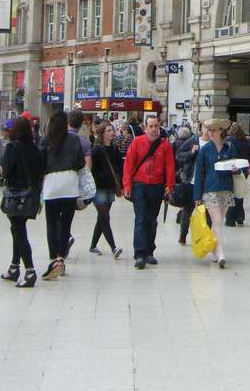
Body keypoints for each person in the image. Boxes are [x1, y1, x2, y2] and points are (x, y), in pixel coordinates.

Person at [122, 114, 175, 270]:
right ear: (144, 128)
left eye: (156, 126)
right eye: (150, 126)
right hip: (139, 185)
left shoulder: (165, 145)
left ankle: (149, 251)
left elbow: (170, 167)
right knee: (140, 219)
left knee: (152, 220)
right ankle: (139, 253)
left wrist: (169, 186)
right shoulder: (137, 143)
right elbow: (129, 165)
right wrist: (127, 186)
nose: (153, 129)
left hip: (157, 186)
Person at [39, 111, 83, 280]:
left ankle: (53, 259)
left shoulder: (45, 140)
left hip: (52, 184)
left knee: (51, 223)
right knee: (65, 224)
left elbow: (40, 163)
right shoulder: (73, 140)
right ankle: (60, 259)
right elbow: (80, 162)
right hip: (70, 184)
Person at [0, 117, 43, 288]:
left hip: (15, 195)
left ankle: (30, 270)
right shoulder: (35, 149)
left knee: (19, 232)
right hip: (30, 196)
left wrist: (3, 170)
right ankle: (14, 267)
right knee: (17, 229)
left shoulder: (12, 148)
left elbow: (7, 172)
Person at [194, 118, 236, 269]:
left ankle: (213, 250)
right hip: (210, 189)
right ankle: (221, 254)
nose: (211, 133)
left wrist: (236, 169)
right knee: (217, 222)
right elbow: (199, 172)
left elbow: (238, 166)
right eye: (209, 130)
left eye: (214, 130)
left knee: (218, 222)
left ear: (220, 131)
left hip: (226, 188)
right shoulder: (205, 150)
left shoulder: (229, 148)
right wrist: (197, 196)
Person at [89, 122, 124, 259]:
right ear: (102, 133)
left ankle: (92, 245)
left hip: (110, 187)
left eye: (112, 130)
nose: (111, 132)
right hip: (98, 188)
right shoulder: (97, 150)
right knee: (105, 217)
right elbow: (92, 169)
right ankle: (113, 247)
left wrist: (120, 180)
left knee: (102, 218)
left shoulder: (115, 149)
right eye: (108, 130)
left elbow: (118, 166)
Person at [174, 123, 205, 245]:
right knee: (188, 210)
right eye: (206, 128)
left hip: (206, 184)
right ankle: (183, 235)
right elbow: (179, 155)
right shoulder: (193, 140)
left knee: (205, 211)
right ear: (201, 129)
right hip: (190, 181)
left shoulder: (214, 144)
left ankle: (203, 236)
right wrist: (191, 153)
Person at [224, 122, 250, 227]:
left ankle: (230, 217)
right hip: (243, 169)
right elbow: (249, 155)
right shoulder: (246, 141)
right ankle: (240, 216)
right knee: (240, 193)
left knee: (231, 193)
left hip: (233, 168)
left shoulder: (229, 141)